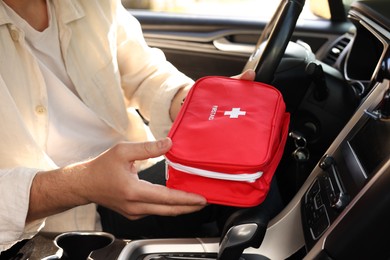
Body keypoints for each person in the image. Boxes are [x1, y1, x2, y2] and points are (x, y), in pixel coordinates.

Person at [0, 0, 260, 253]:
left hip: (138, 169)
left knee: (250, 163)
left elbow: (145, 74)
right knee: (241, 186)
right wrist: (81, 184)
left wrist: (194, 102)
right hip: (57, 226)